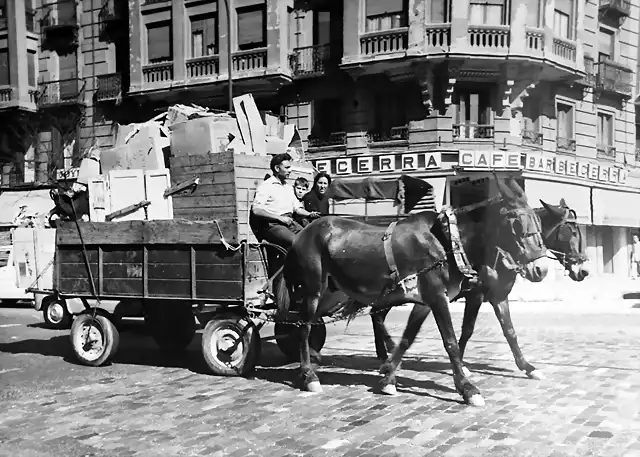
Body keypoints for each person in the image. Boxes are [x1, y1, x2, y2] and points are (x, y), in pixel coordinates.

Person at [250, 153, 320, 250]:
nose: (290, 170)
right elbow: (257, 210)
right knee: (296, 242)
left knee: (310, 239)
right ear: (277, 169)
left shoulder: (288, 187)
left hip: (289, 223)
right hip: (273, 226)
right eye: (287, 167)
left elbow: (297, 208)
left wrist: (309, 214)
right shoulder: (266, 186)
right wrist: (279, 218)